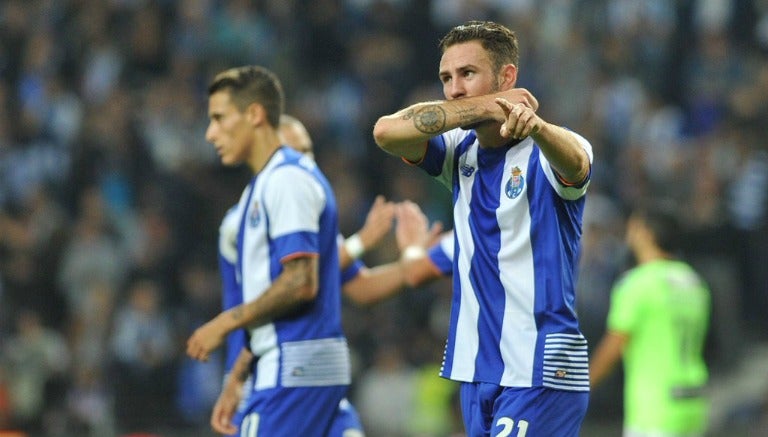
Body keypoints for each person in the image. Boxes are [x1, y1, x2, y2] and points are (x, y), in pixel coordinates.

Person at [372, 20, 593, 436]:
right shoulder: (460, 152)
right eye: (445, 78)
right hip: (477, 369)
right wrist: (488, 106)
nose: (453, 89)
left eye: (467, 74)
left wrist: (537, 125)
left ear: (507, 77)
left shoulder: (549, 148)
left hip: (540, 368)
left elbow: (577, 165)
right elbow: (386, 131)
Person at [185, 65, 363, 437]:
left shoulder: (287, 179)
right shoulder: (261, 188)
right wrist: (238, 375)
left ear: (254, 114)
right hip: (285, 364)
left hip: (294, 366)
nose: (210, 133)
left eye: (219, 118)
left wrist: (225, 323)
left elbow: (300, 281)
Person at [589, 201, 711, 437]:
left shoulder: (637, 284)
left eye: (634, 228)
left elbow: (614, 346)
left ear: (646, 234)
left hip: (654, 410)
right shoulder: (694, 282)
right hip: (692, 401)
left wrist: (582, 385)